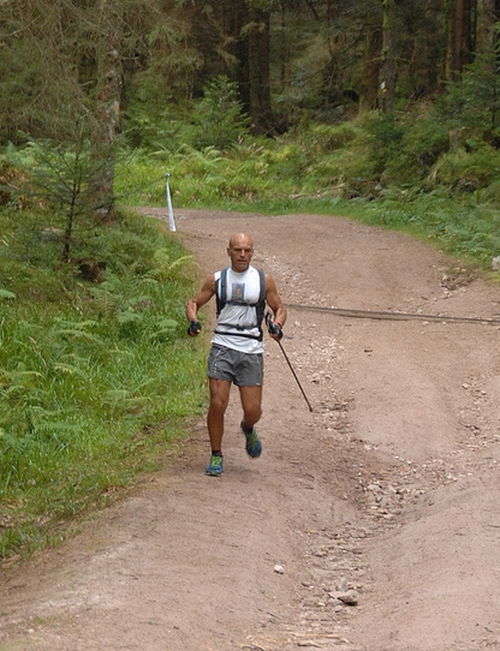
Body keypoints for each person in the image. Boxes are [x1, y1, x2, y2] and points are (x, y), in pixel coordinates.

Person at [186, 233, 287, 476]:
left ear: (252, 252)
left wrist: (277, 325)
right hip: (223, 346)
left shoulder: (264, 280)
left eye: (247, 250)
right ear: (228, 251)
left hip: (251, 349)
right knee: (217, 403)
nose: (243, 255)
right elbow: (193, 302)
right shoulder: (218, 279)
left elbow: (279, 308)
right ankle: (216, 454)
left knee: (253, 410)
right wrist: (193, 321)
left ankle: (248, 427)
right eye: (238, 250)